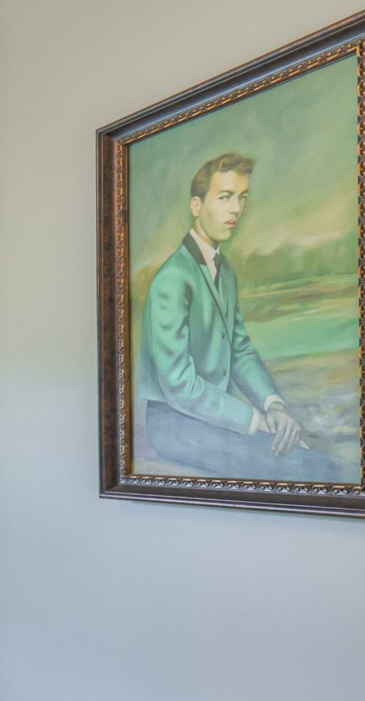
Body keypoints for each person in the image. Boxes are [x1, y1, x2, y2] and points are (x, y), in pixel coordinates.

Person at [138, 152, 340, 481]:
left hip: (215, 415)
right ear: (196, 206)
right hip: (174, 425)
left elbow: (240, 350)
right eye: (225, 197)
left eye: (242, 198)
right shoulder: (172, 280)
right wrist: (255, 419)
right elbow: (178, 386)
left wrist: (273, 405)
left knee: (311, 447)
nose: (236, 209)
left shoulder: (226, 271)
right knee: (310, 467)